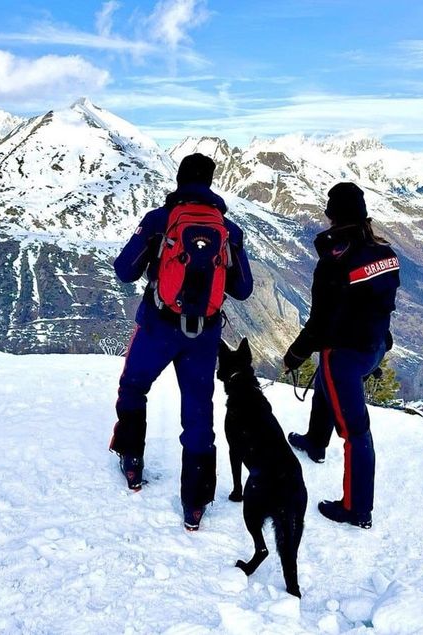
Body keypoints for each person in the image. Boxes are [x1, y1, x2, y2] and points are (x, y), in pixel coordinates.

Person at [110, 153, 254, 531]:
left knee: (134, 386)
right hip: (203, 335)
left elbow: (125, 270)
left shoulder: (158, 220)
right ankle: (195, 502)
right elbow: (243, 289)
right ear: (210, 182)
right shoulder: (229, 229)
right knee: (198, 410)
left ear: (179, 180)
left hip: (157, 325)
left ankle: (132, 461)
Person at [283, 182, 400, 529]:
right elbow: (382, 305)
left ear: (332, 215)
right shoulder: (385, 253)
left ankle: (357, 509)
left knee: (356, 432)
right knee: (325, 382)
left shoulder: (335, 262)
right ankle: (315, 442)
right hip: (375, 347)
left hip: (345, 355)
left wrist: (294, 355)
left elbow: (319, 322)